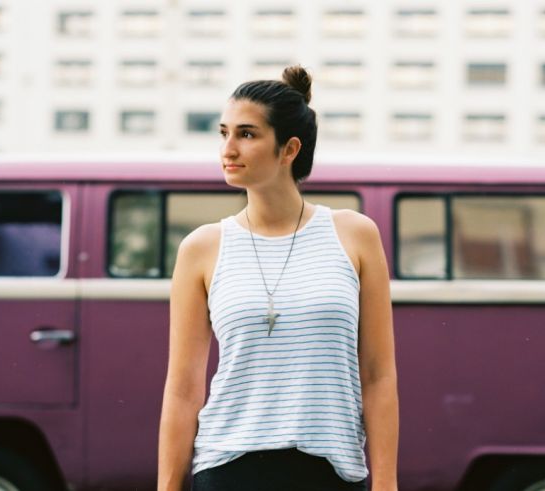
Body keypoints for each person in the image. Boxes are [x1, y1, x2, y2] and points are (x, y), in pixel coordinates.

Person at [157, 65, 399, 491]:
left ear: (289, 149)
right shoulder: (202, 248)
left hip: (333, 471)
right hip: (228, 469)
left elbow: (378, 376)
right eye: (223, 132)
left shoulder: (355, 235)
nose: (228, 148)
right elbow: (182, 389)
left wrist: (386, 484)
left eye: (246, 134)